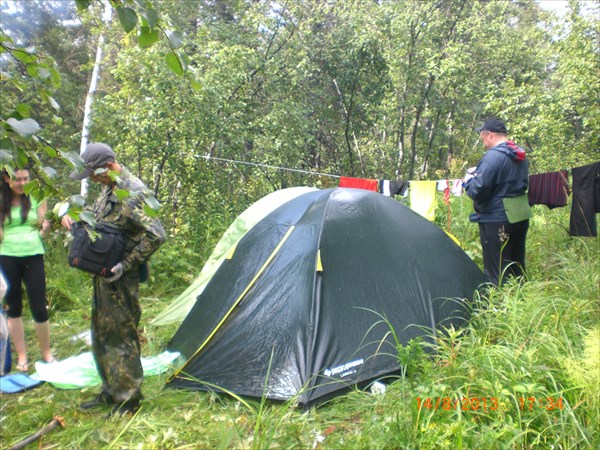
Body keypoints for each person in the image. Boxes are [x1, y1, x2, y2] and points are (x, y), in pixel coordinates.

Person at [62, 143, 165, 416]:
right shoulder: (109, 187)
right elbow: (103, 223)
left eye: (93, 175)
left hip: (122, 278)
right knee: (102, 334)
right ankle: (111, 390)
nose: (92, 180)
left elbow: (157, 234)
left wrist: (125, 265)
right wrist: (76, 220)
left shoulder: (133, 193)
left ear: (107, 167)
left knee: (121, 337)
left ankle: (128, 400)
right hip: (104, 274)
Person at [463, 118, 531, 285]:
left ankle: (497, 300)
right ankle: (520, 295)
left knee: (496, 269)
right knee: (516, 264)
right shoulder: (520, 155)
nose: (483, 142)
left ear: (490, 135)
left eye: (483, 138)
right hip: (519, 214)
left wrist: (468, 181)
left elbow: (478, 190)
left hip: (496, 218)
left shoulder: (493, 156)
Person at [0, 166, 54, 372]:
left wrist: (46, 230)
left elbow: (42, 232)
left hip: (33, 254)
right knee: (14, 308)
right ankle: (22, 357)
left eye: (26, 179)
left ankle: (47, 353)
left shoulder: (37, 197)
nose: (23, 183)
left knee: (39, 307)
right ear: (7, 179)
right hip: (7, 256)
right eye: (18, 179)